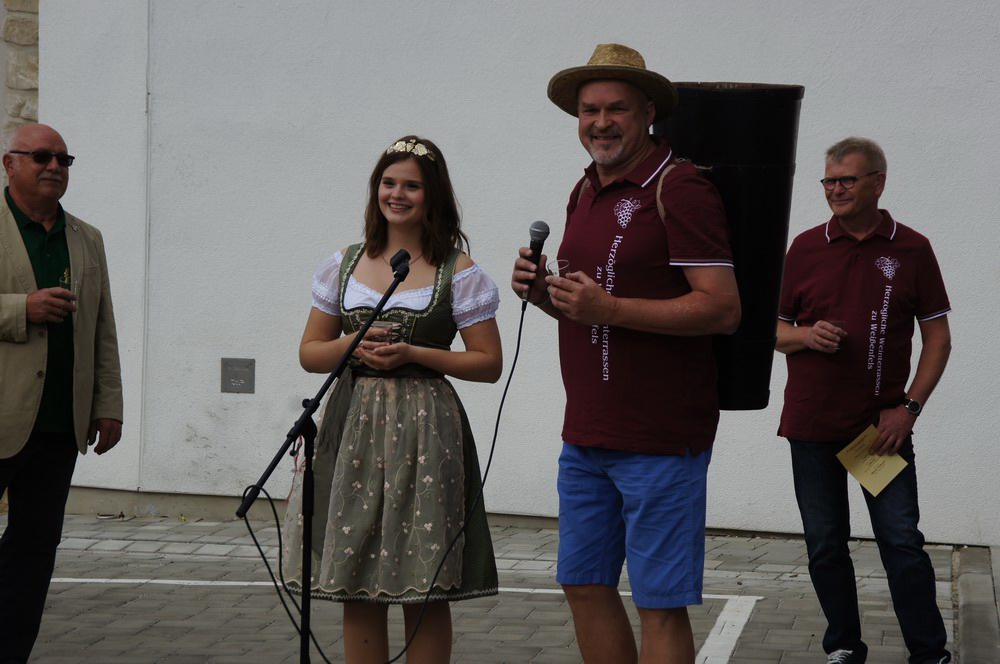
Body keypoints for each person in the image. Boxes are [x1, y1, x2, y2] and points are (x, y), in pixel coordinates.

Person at [511, 44, 740, 664]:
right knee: (584, 585)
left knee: (658, 603)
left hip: (660, 437)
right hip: (587, 433)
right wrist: (545, 295)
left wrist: (609, 308)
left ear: (647, 114)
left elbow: (722, 309)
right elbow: (588, 309)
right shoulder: (583, 190)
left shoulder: (680, 187)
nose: (601, 122)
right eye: (590, 110)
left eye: (617, 109)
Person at [282, 135, 502, 663]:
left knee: (423, 584)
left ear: (433, 196)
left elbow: (488, 363)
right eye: (388, 182)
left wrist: (414, 353)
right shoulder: (344, 263)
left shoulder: (458, 271)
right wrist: (353, 347)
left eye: (411, 186)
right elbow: (310, 353)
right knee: (356, 574)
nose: (397, 194)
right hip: (352, 423)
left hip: (426, 428)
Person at [776, 137, 952, 664]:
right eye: (829, 181)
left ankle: (929, 653)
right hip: (811, 425)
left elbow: (938, 339)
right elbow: (772, 329)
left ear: (878, 182)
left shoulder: (911, 248)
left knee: (901, 542)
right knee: (825, 544)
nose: (835, 190)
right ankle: (845, 648)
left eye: (847, 180)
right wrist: (804, 335)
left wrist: (908, 410)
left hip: (879, 432)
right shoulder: (805, 247)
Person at [0, 123, 123, 663]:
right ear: (9, 163)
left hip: (58, 425)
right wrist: (19, 309)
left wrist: (108, 404)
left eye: (64, 160)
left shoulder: (86, 237)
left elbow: (103, 328)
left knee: (33, 552)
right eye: (42, 156)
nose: (54, 166)